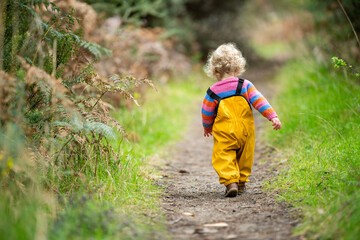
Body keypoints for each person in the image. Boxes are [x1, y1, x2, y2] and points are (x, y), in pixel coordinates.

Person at [201, 43, 281, 197]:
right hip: (245, 130)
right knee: (245, 155)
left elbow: (206, 112)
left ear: (214, 70)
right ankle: (242, 182)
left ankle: (231, 182)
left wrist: (207, 127)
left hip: (224, 132)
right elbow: (260, 101)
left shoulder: (212, 92)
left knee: (223, 155)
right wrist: (272, 116)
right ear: (238, 67)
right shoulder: (245, 85)